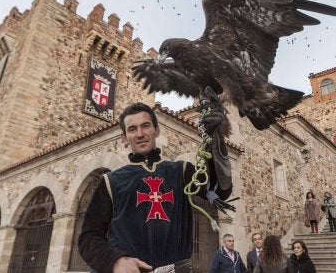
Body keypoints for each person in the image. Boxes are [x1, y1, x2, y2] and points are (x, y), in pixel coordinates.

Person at [78, 102, 235, 273]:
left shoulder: (181, 172)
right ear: (124, 137)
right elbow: (88, 237)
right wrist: (115, 260)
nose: (140, 134)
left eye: (145, 126)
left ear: (156, 130)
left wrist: (215, 140)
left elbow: (220, 191)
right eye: (132, 129)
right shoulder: (110, 182)